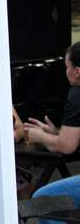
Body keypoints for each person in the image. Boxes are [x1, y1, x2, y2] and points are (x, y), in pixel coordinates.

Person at [25, 43, 80, 215]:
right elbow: (69, 140)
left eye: (67, 67)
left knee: (42, 200)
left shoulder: (77, 94)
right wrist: (57, 135)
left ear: (77, 71)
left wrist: (40, 137)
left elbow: (66, 147)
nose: (66, 72)